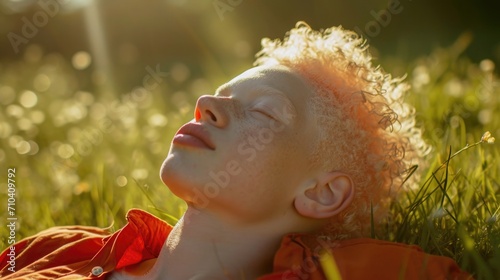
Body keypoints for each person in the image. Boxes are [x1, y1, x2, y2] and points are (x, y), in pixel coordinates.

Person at [0, 22, 472, 280]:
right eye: (220, 95)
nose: (207, 106)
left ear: (322, 192)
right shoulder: (64, 248)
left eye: (265, 113)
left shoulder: (350, 273)